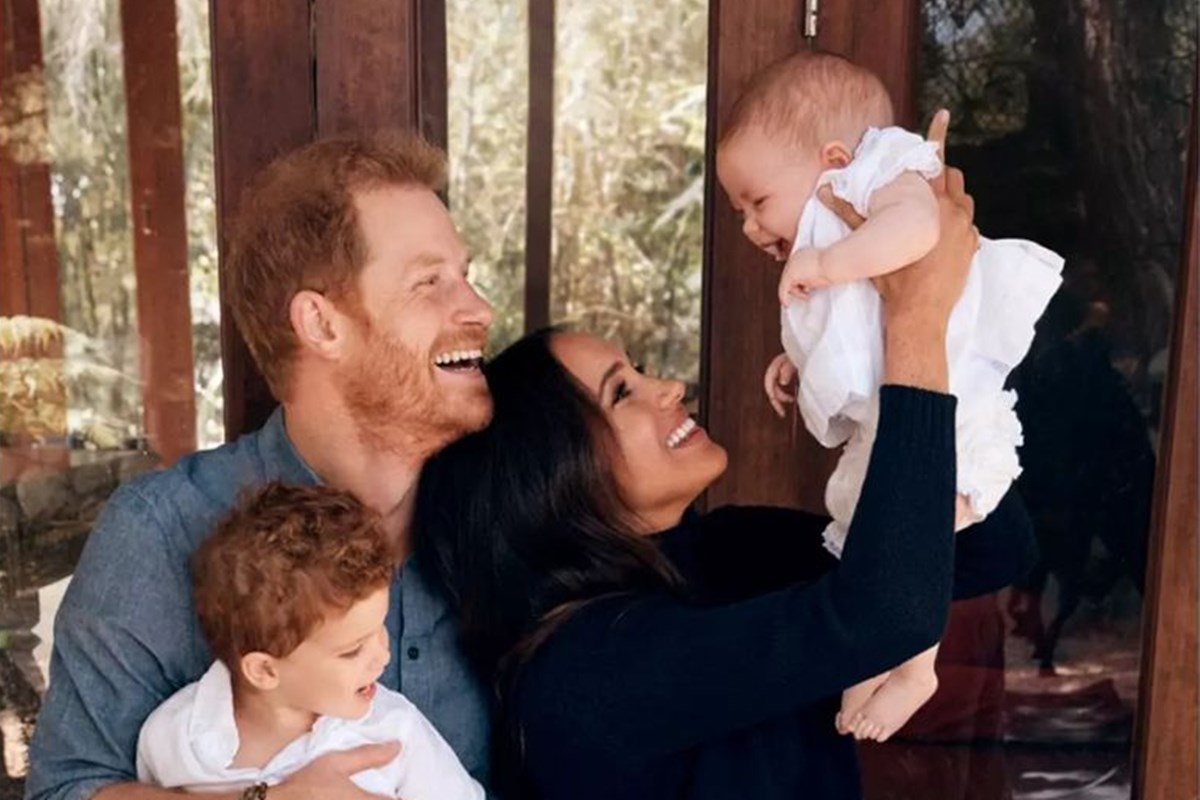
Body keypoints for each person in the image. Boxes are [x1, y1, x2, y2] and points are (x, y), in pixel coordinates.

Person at [413, 117, 1038, 800]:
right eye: (622, 392)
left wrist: (909, 339)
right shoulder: (586, 671)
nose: (668, 389)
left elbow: (986, 552)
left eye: (641, 369)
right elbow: (886, 614)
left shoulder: (726, 551)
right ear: (551, 477)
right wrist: (913, 318)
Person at [27, 132, 495, 800]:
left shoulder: (501, 508)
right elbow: (63, 791)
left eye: (466, 275)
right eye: (430, 282)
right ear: (322, 325)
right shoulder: (161, 532)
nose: (478, 308)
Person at [714, 51, 1062, 740]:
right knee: (867, 529)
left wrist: (826, 262)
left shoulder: (885, 173)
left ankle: (914, 667)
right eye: (739, 213)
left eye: (758, 202)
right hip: (901, 408)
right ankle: (875, 658)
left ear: (834, 158)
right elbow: (860, 325)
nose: (752, 227)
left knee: (912, 533)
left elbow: (919, 233)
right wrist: (796, 360)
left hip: (952, 407)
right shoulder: (837, 226)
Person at [136, 482, 484, 800]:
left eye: (380, 629)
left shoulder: (392, 732)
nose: (383, 657)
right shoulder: (174, 738)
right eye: (352, 651)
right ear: (264, 670)